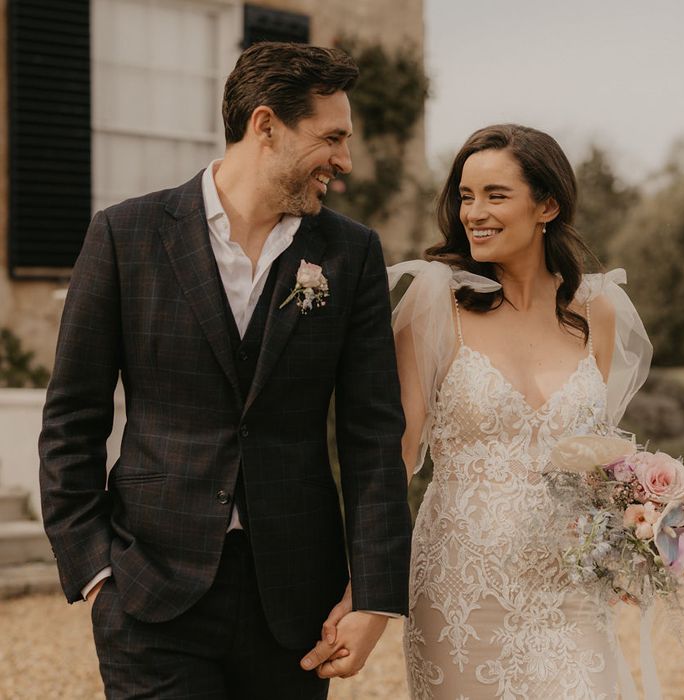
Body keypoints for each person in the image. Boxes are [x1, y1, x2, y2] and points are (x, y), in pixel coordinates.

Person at [38, 41, 412, 699]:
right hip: (149, 591)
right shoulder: (125, 236)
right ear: (265, 125)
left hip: (294, 605)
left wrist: (373, 598)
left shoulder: (351, 254)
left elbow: (373, 436)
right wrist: (96, 573)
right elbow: (71, 418)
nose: (345, 162)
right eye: (332, 138)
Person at [387, 124, 652, 698]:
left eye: (495, 195)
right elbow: (398, 457)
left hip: (571, 591)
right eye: (465, 195)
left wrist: (644, 529)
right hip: (459, 586)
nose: (473, 213)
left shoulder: (595, 311)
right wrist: (359, 582)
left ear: (547, 205)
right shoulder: (434, 304)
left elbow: (600, 462)